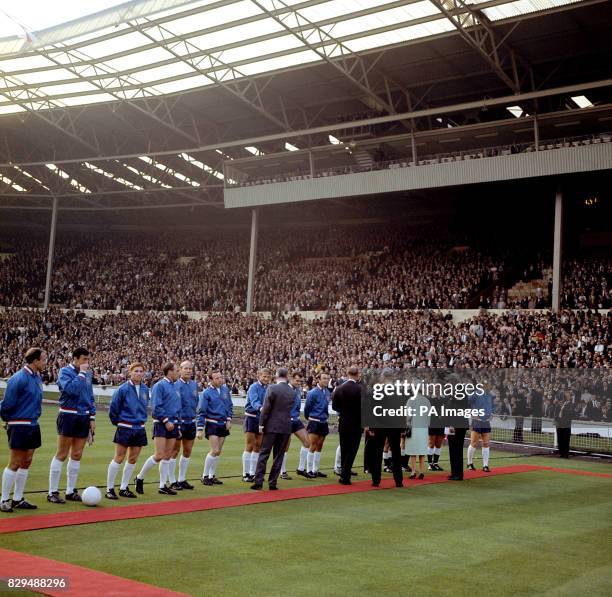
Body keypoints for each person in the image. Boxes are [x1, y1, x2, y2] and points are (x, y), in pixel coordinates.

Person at [48, 347, 96, 504]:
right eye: (84, 359)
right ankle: (52, 492)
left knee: (76, 454)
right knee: (61, 454)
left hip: (83, 417)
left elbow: (89, 395)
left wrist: (92, 417)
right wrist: (81, 374)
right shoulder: (64, 372)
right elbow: (72, 390)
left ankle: (70, 490)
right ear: (75, 359)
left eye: (88, 359)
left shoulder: (89, 373)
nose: (86, 362)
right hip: (68, 415)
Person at [1, 348, 46, 512]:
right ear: (35, 361)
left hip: (33, 424)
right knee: (15, 462)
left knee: (27, 461)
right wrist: (8, 420)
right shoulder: (18, 378)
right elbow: (7, 404)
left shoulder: (37, 377)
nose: (45, 362)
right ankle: (4, 500)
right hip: (19, 424)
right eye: (43, 359)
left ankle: (17, 499)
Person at [135, 363, 181, 495]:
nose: (178, 373)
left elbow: (178, 407)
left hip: (174, 424)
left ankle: (162, 485)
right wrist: (166, 421)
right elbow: (156, 406)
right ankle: (140, 477)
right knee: (159, 455)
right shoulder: (159, 386)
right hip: (161, 423)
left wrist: (178, 424)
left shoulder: (175, 386)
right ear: (170, 371)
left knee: (167, 456)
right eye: (177, 370)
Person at [106, 362, 150, 499]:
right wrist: (119, 423)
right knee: (119, 458)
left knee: (132, 459)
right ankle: (109, 489)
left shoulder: (145, 389)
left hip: (140, 428)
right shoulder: (122, 389)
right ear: (130, 372)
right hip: (125, 427)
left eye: (141, 371)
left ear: (144, 373)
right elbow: (113, 408)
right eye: (136, 371)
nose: (138, 373)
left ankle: (124, 487)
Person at [251, 368, 295, 491]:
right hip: (285, 426)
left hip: (271, 426)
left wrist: (261, 424)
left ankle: (258, 481)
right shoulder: (292, 392)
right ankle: (273, 482)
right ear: (287, 376)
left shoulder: (272, 388)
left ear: (276, 376)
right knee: (278, 456)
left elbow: (266, 408)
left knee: (264, 454)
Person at [196, 371, 233, 486]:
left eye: (220, 377)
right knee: (215, 450)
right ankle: (204, 475)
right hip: (212, 423)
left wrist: (228, 419)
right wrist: (200, 428)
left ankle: (212, 476)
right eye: (216, 378)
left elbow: (229, 406)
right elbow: (201, 411)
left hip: (223, 424)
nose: (219, 380)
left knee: (218, 452)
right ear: (211, 380)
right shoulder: (206, 393)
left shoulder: (225, 390)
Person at [331, 366, 362, 485]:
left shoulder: (339, 388)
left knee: (344, 448)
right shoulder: (360, 389)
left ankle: (345, 474)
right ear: (357, 374)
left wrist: (344, 411)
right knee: (352, 449)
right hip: (356, 423)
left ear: (347, 374)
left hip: (343, 422)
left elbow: (334, 407)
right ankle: (345, 474)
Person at [170, 361, 199, 490]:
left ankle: (182, 479)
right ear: (180, 370)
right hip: (178, 422)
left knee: (187, 451)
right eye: (185, 368)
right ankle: (171, 480)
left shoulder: (194, 385)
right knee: (174, 451)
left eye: (190, 368)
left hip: (191, 422)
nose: (188, 371)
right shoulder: (175, 385)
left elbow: (195, 402)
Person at [243, 368, 271, 482]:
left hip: (262, 419)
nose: (266, 379)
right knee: (250, 445)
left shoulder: (269, 388)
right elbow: (254, 401)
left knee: (258, 446)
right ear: (259, 375)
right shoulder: (253, 387)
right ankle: (245, 474)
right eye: (264, 376)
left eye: (268, 377)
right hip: (251, 417)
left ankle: (253, 473)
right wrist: (261, 408)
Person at [282, 371, 310, 480]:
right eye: (297, 380)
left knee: (307, 442)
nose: (298, 382)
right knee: (285, 447)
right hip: (286, 420)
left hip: (296, 420)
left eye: (300, 381)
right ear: (291, 378)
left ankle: (301, 469)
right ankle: (282, 471)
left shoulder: (298, 390)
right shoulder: (285, 389)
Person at [304, 372, 331, 478]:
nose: (326, 380)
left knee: (320, 446)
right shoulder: (312, 392)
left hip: (323, 421)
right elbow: (307, 408)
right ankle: (309, 470)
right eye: (324, 378)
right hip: (314, 421)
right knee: (312, 445)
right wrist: (309, 418)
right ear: (318, 379)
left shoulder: (327, 392)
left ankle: (315, 470)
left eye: (327, 378)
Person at [467, 390, 493, 472]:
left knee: (486, 443)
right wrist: (472, 413)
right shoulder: (474, 394)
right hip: (476, 422)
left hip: (486, 422)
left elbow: (490, 407)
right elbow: (468, 404)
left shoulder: (489, 396)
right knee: (474, 442)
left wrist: (491, 413)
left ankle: (485, 465)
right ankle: (469, 463)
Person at [406, 393, 430, 480]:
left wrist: (407, 425)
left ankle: (413, 471)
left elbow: (408, 415)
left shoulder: (411, 400)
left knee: (413, 452)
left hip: (414, 427)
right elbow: (429, 416)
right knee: (422, 451)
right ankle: (421, 471)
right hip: (423, 428)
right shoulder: (426, 400)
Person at [427, 395, 445, 471]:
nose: (438, 389)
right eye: (436, 388)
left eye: (439, 388)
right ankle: (430, 464)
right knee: (431, 443)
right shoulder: (430, 399)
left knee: (438, 444)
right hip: (432, 423)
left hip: (441, 424)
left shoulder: (444, 399)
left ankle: (436, 463)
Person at [555, 392, 573, 458]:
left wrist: (563, 409)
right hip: (559, 425)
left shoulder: (571, 405)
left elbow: (570, 414)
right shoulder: (559, 404)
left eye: (568, 396)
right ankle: (561, 453)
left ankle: (565, 454)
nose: (567, 397)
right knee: (560, 440)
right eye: (566, 396)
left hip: (566, 425)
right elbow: (556, 415)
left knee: (566, 440)